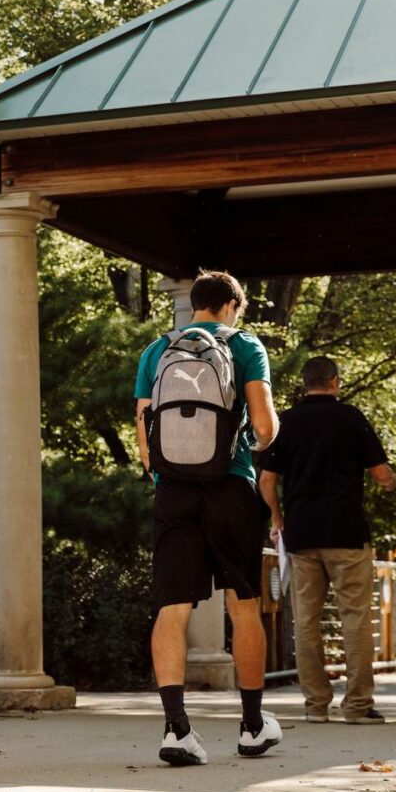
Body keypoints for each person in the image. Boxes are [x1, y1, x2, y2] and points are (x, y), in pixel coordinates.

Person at [135, 271, 280, 766]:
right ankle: (253, 727)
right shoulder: (243, 346)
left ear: (194, 304)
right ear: (231, 306)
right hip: (230, 487)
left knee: (172, 610)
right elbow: (263, 425)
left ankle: (177, 730)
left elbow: (146, 441)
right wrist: (254, 442)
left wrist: (171, 476)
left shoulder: (156, 353)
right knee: (244, 606)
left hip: (173, 492)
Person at [258, 356, 396, 725]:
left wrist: (278, 519)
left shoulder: (285, 422)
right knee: (355, 620)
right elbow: (381, 473)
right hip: (347, 534)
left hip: (302, 536)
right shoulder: (351, 418)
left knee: (305, 621)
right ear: (334, 382)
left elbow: (267, 481)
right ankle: (357, 706)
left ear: (306, 383)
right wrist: (389, 482)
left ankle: (316, 705)